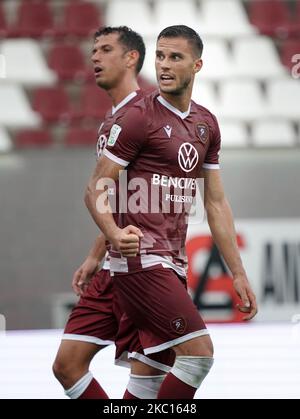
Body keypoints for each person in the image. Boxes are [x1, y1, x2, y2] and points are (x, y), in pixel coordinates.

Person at [85, 25, 258, 399]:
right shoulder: (136, 118)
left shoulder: (205, 124)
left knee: (147, 381)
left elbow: (215, 202)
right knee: (198, 356)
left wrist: (239, 272)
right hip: (141, 262)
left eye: (175, 57)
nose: (164, 65)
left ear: (197, 65)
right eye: (160, 56)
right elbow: (96, 187)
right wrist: (114, 236)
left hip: (173, 262)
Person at [52, 26, 173, 400]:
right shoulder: (113, 119)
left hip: (146, 267)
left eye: (105, 49)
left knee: (144, 388)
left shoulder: (148, 115)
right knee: (66, 365)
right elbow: (121, 201)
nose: (94, 58)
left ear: (131, 58)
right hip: (112, 267)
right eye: (93, 51)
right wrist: (95, 254)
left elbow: (150, 201)